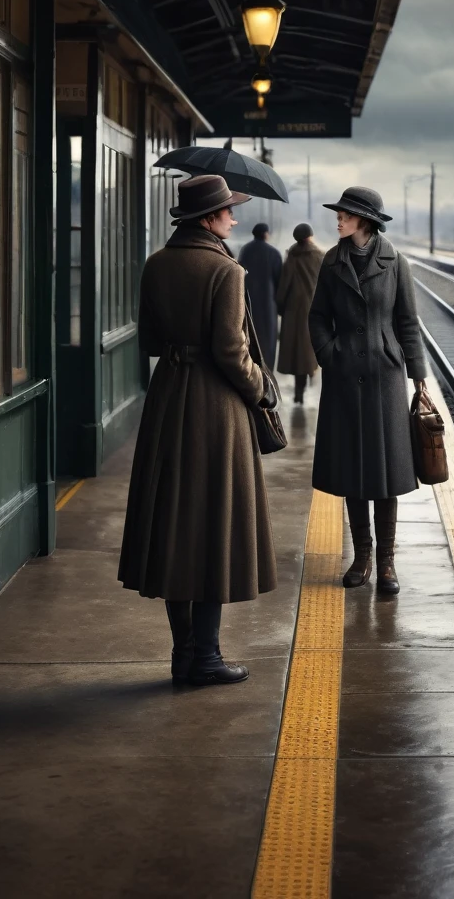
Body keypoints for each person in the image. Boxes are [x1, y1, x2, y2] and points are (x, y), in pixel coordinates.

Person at [118, 175, 278, 685]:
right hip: (216, 411)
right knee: (214, 529)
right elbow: (233, 352)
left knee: (173, 528)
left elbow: (148, 340)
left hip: (169, 402)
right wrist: (260, 389)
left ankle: (183, 655)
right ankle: (207, 659)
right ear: (210, 218)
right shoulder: (226, 271)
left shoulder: (157, 264)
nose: (233, 218)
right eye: (228, 210)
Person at [309, 186, 428, 595]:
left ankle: (388, 562)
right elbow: (318, 317)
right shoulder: (331, 262)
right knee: (353, 472)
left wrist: (419, 378)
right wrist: (330, 353)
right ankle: (362, 557)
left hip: (385, 380)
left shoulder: (396, 263)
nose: (337, 219)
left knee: (386, 474)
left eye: (344, 214)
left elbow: (408, 323)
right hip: (343, 379)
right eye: (339, 214)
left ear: (363, 220)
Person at [276, 223, 323, 403]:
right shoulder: (320, 256)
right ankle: (309, 378)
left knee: (297, 354)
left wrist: (282, 308)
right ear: (310, 236)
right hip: (314, 310)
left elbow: (283, 287)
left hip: (293, 311)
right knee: (309, 352)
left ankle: (299, 392)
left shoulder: (292, 257)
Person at [238, 222, 283, 368]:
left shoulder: (245, 250)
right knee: (268, 341)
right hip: (268, 304)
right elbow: (279, 282)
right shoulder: (274, 253)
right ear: (266, 234)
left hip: (248, 302)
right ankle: (266, 373)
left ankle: (250, 371)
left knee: (249, 336)